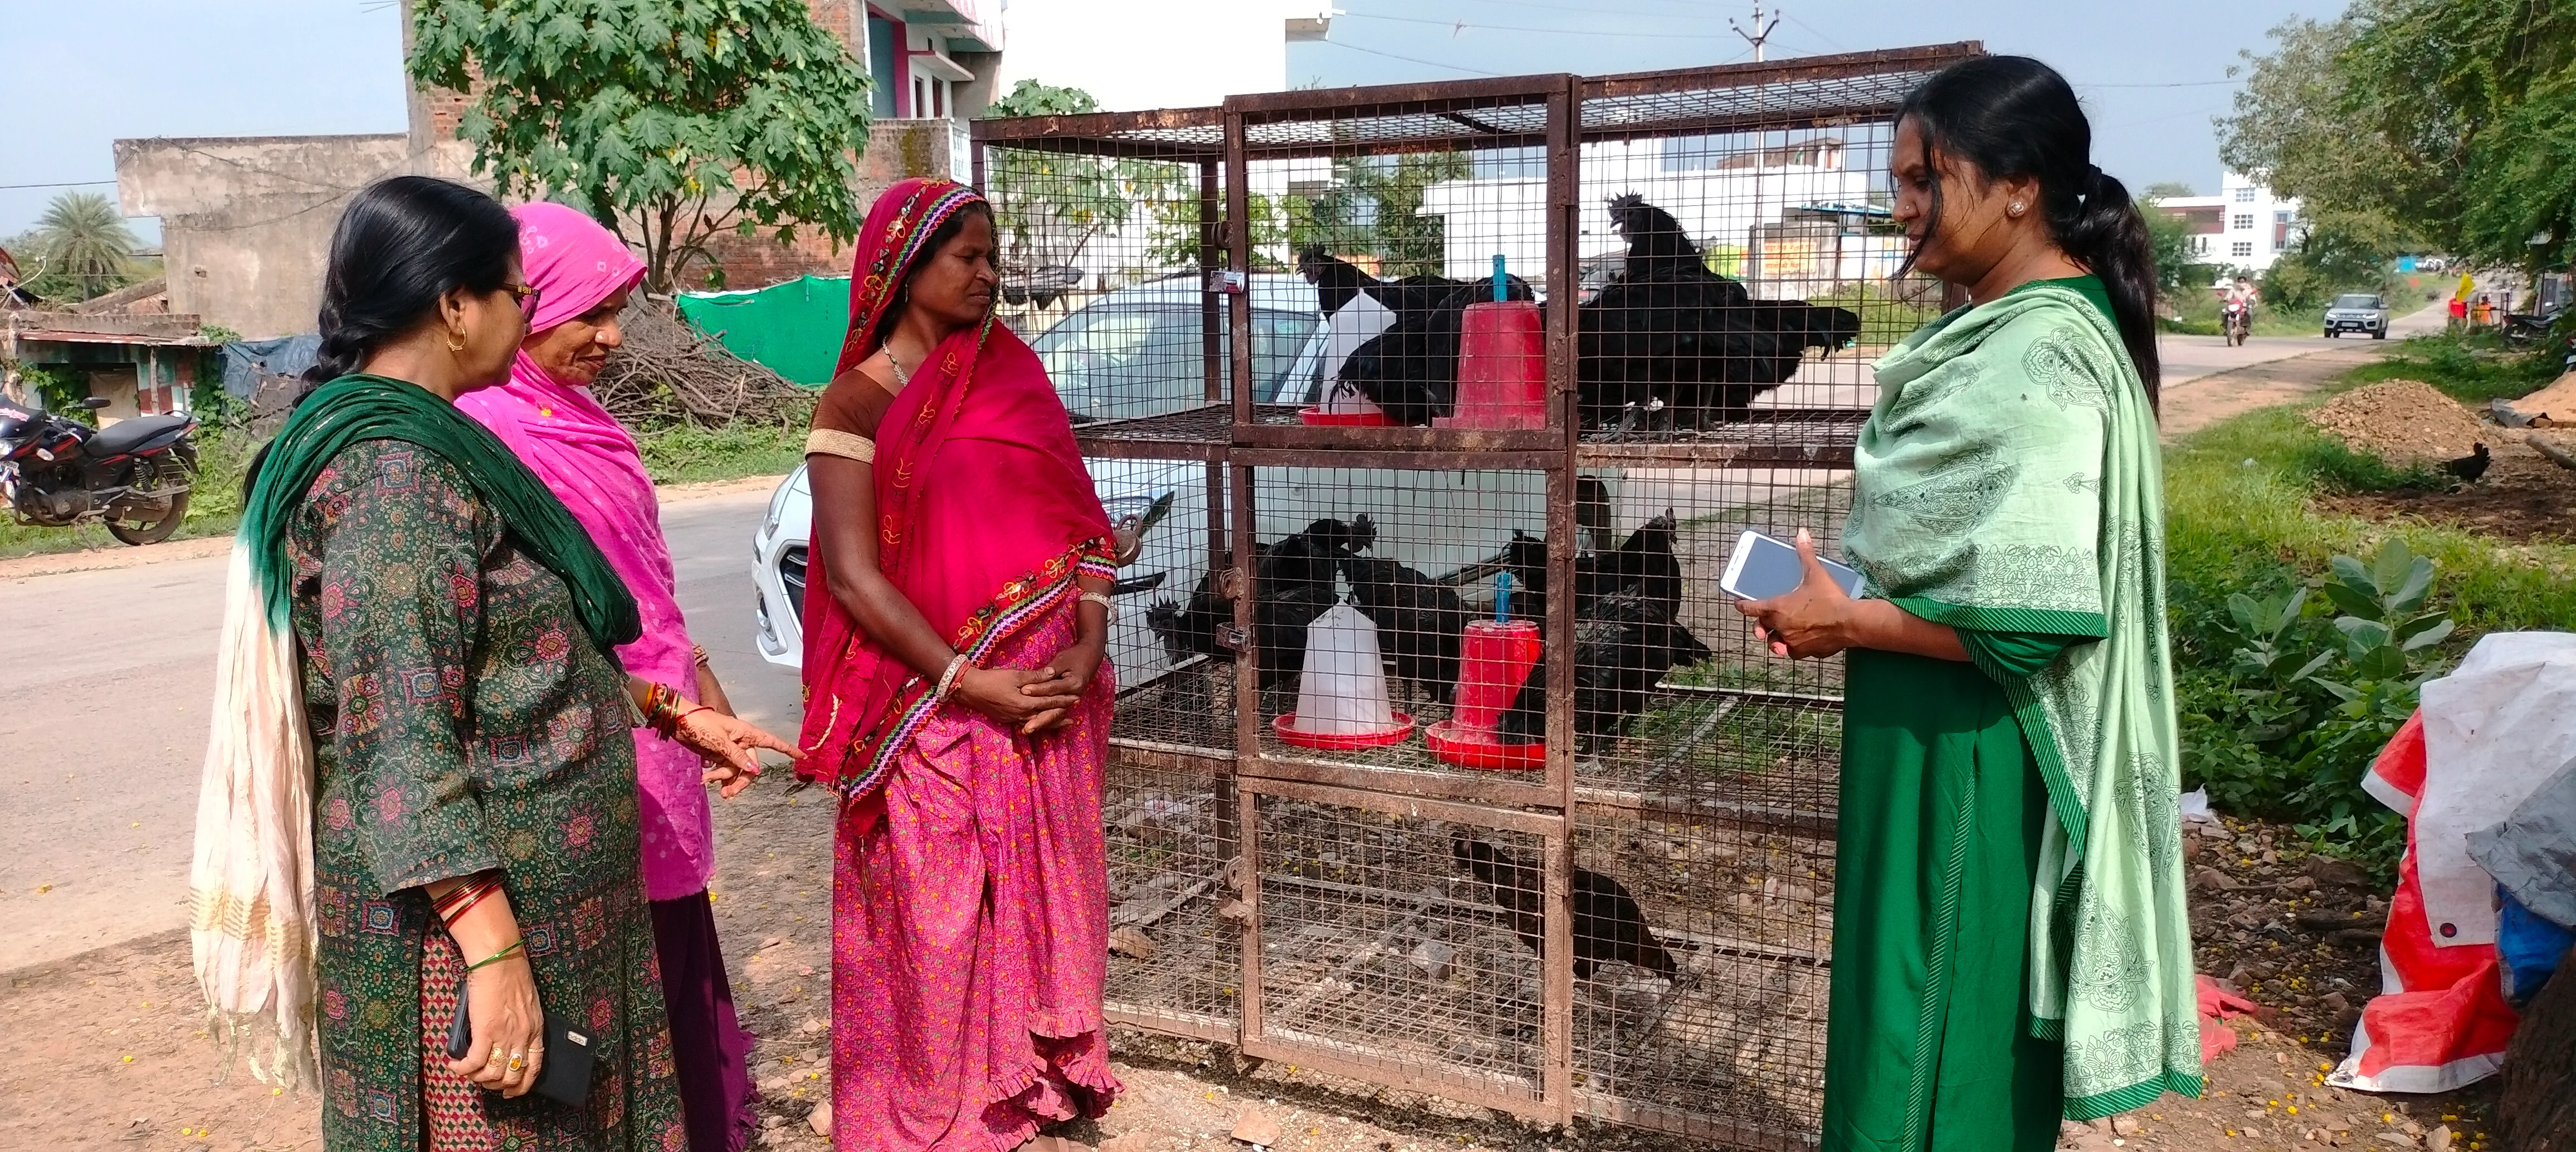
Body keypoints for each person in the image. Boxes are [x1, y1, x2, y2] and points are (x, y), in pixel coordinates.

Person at [189, 175, 796, 1151]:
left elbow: (510, 657)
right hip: (466, 945)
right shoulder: (394, 481)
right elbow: (402, 747)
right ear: (454, 305)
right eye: (521, 294)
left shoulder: (444, 452)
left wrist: (670, 709)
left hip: (557, 913)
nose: (532, 314)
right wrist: (494, 953)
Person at [1737, 57, 2198, 1149]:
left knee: (1930, 1050)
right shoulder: (1999, 331)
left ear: (2016, 187)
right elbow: (1967, 564)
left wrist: (1845, 618)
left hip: (1975, 756)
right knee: (1901, 1023)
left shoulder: (2040, 352)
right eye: (1895, 180)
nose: (1899, 208)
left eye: (1922, 178)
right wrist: (1836, 604)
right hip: (1921, 730)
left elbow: (2030, 617)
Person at [794, 177, 1124, 1151]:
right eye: (966, 257)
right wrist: (966, 680)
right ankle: (936, 1107)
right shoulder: (853, 402)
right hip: (925, 696)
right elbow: (855, 580)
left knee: (1042, 887)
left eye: (993, 256)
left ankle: (1036, 1081)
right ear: (903, 270)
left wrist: (1089, 637)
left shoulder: (1014, 372)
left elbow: (1082, 527)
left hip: (1047, 689)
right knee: (937, 913)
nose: (989, 275)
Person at [453, 202, 758, 1152]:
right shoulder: (481, 435)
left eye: (616, 310)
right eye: (589, 312)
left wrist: (699, 685)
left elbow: (643, 584)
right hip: (573, 740)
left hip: (658, 712)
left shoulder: (579, 417)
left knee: (673, 950)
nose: (611, 338)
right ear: (518, 304)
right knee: (599, 966)